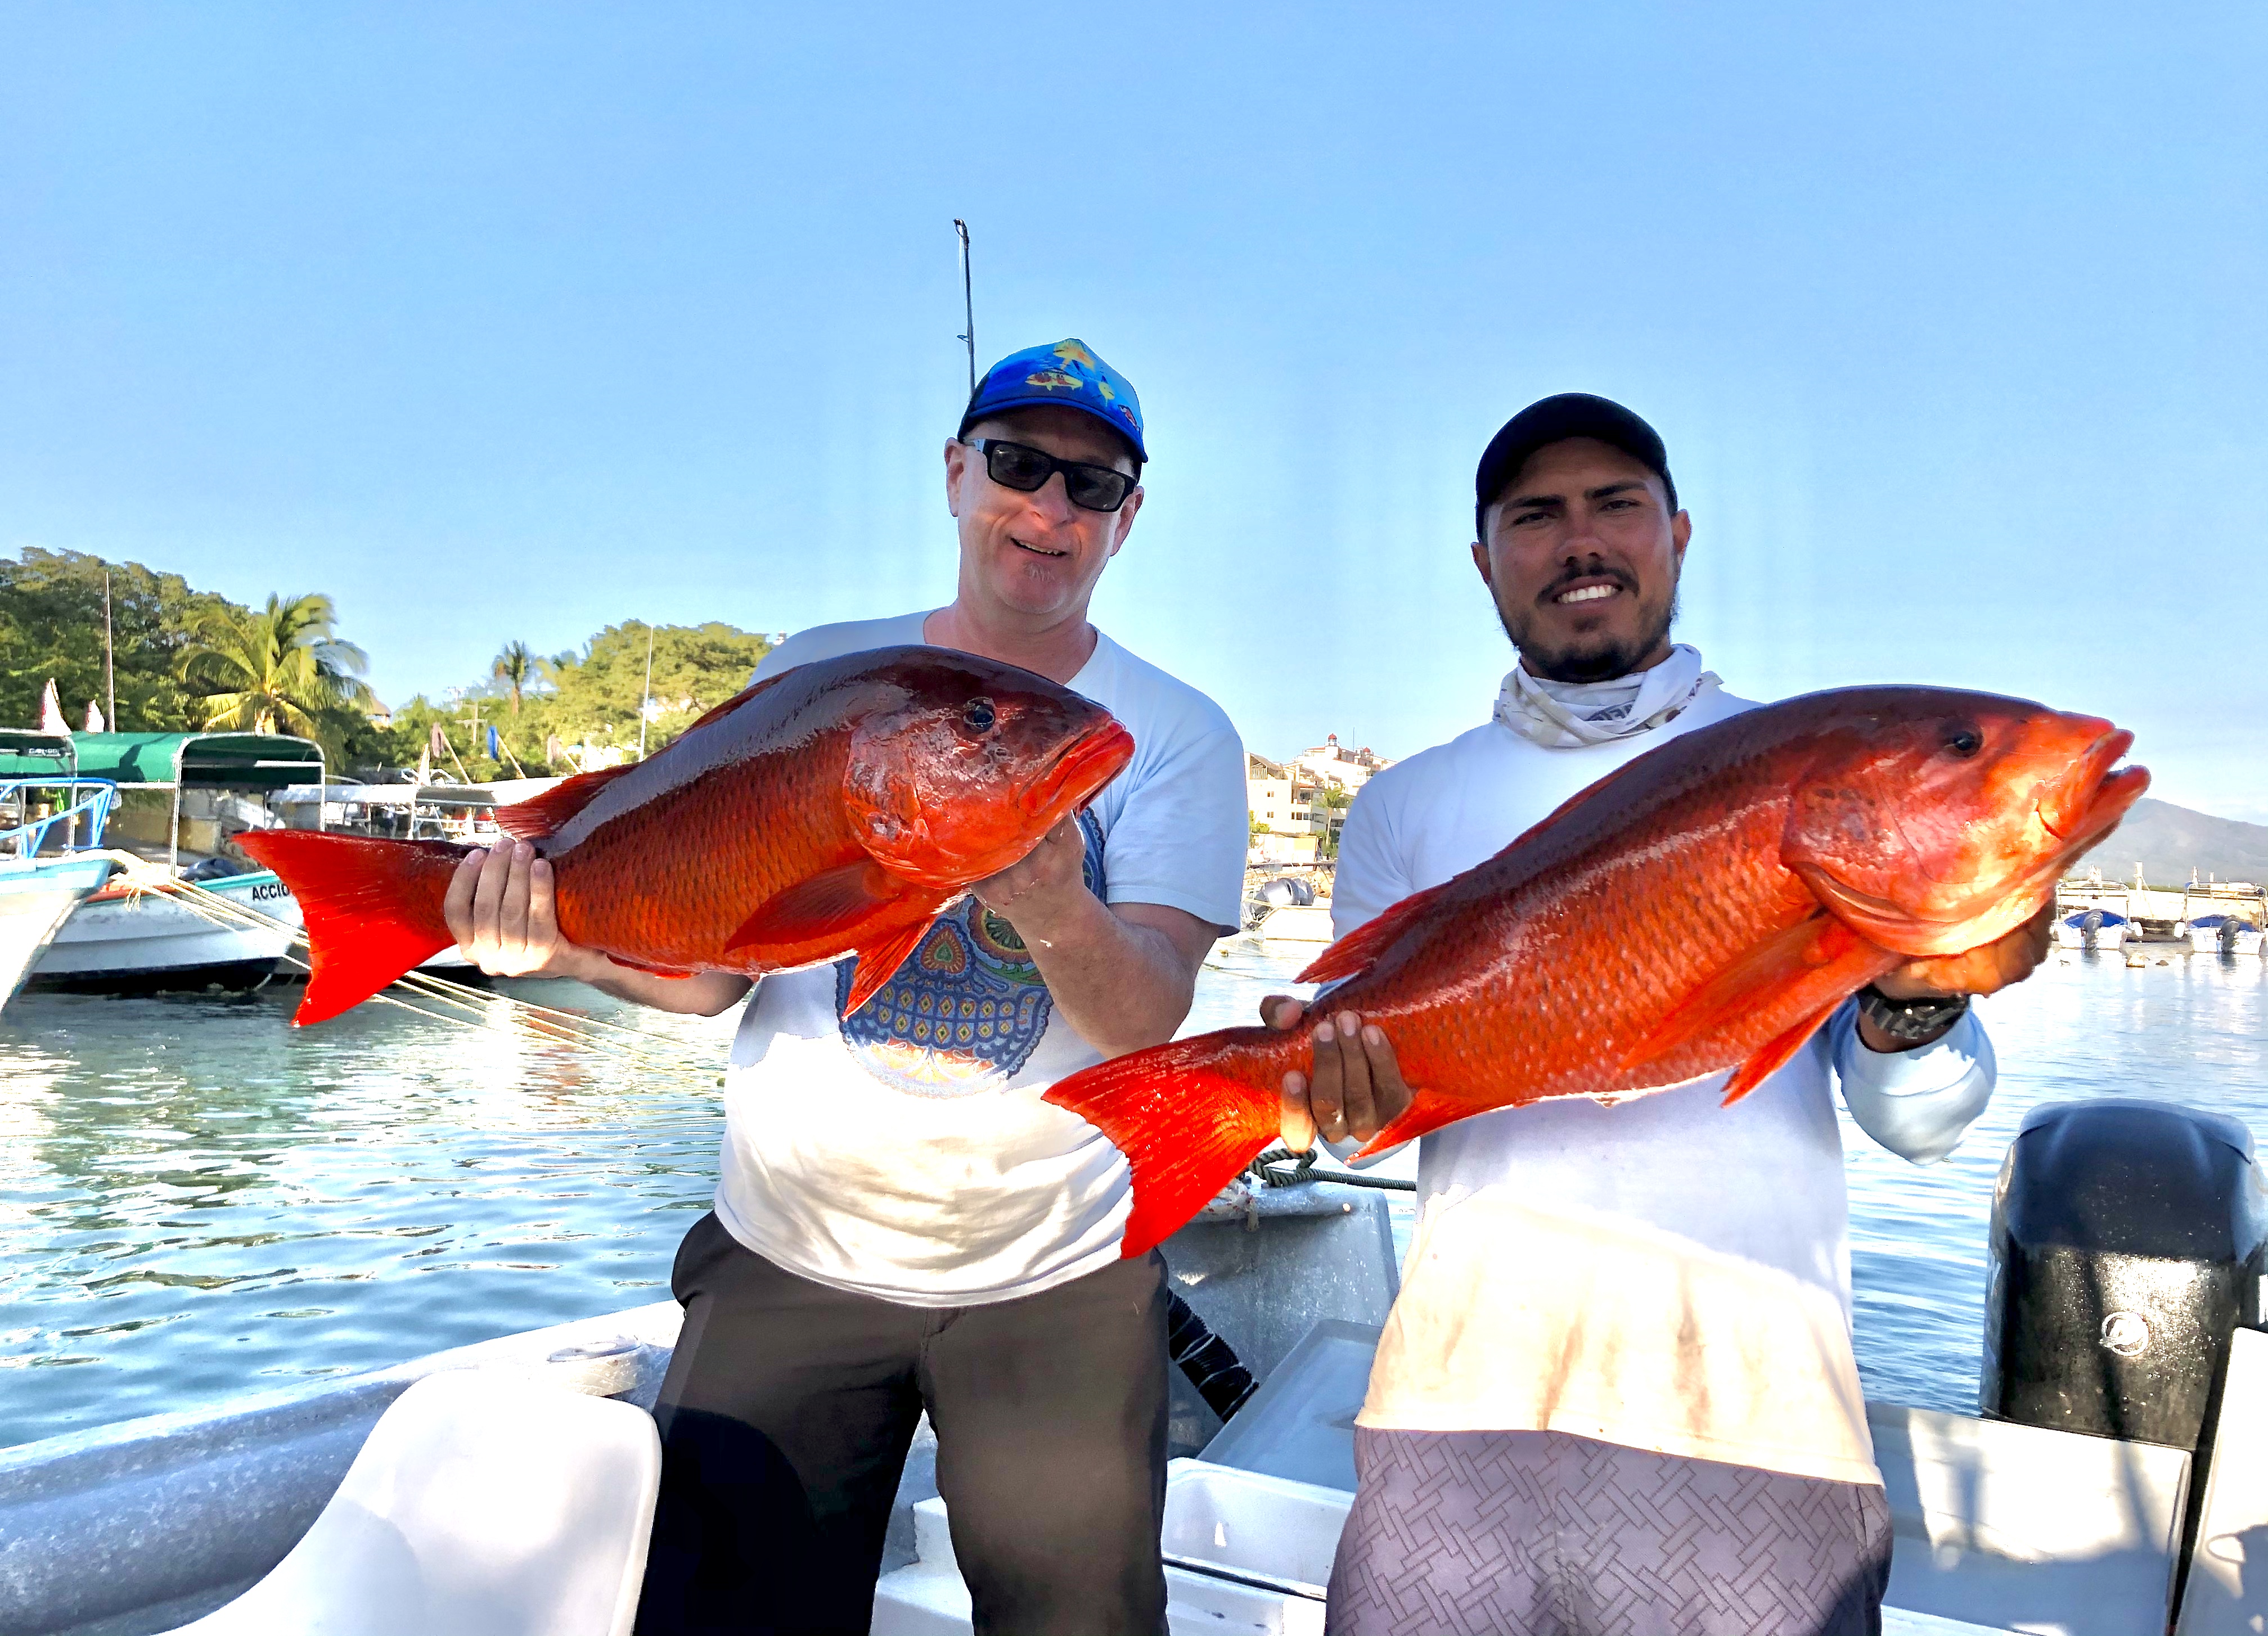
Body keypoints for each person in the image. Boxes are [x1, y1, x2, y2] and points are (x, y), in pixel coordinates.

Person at [447, 339, 1248, 1635]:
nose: (1046, 510)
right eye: (1016, 464)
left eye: (1090, 487)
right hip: (788, 1255)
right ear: (955, 473)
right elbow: (712, 976)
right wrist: (560, 940)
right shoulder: (827, 664)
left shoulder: (1178, 732)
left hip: (1059, 1272)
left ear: (1128, 518)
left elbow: (1145, 1018)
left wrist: (1047, 897)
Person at [1268, 393, 2050, 1636]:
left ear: (1678, 533)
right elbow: (1370, 1124)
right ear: (1485, 561)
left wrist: (1914, 1004)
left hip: (1760, 1413)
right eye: (1537, 515)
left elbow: (1919, 1122)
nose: (1582, 540)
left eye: (1615, 504)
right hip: (1459, 1405)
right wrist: (1330, 1097)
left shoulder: (1815, 772)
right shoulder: (1403, 810)